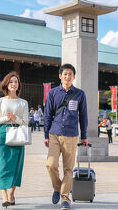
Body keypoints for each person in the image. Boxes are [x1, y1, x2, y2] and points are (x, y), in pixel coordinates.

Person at [44, 63, 88, 210]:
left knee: (68, 169)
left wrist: (84, 136)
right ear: (60, 76)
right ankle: (57, 188)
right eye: (65, 74)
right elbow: (47, 115)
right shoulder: (52, 93)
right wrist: (45, 135)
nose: (67, 76)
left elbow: (84, 117)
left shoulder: (80, 94)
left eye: (70, 74)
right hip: (54, 133)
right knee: (50, 165)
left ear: (74, 77)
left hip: (71, 134)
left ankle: (65, 199)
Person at [0, 71, 28, 208]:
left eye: (16, 82)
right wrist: (6, 118)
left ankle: (12, 192)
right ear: (6, 84)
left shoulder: (23, 103)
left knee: (16, 166)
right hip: (2, 134)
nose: (13, 84)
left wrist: (15, 118)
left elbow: (25, 123)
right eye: (11, 82)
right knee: (2, 165)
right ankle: (4, 195)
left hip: (18, 135)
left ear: (19, 85)